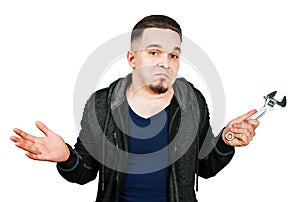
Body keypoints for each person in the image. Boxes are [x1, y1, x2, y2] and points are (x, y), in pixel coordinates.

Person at [10, 15, 259, 202]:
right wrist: (65, 156)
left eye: (174, 55)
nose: (165, 62)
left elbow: (204, 167)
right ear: (132, 59)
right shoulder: (101, 104)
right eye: (154, 52)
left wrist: (226, 140)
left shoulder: (192, 100)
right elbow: (85, 172)